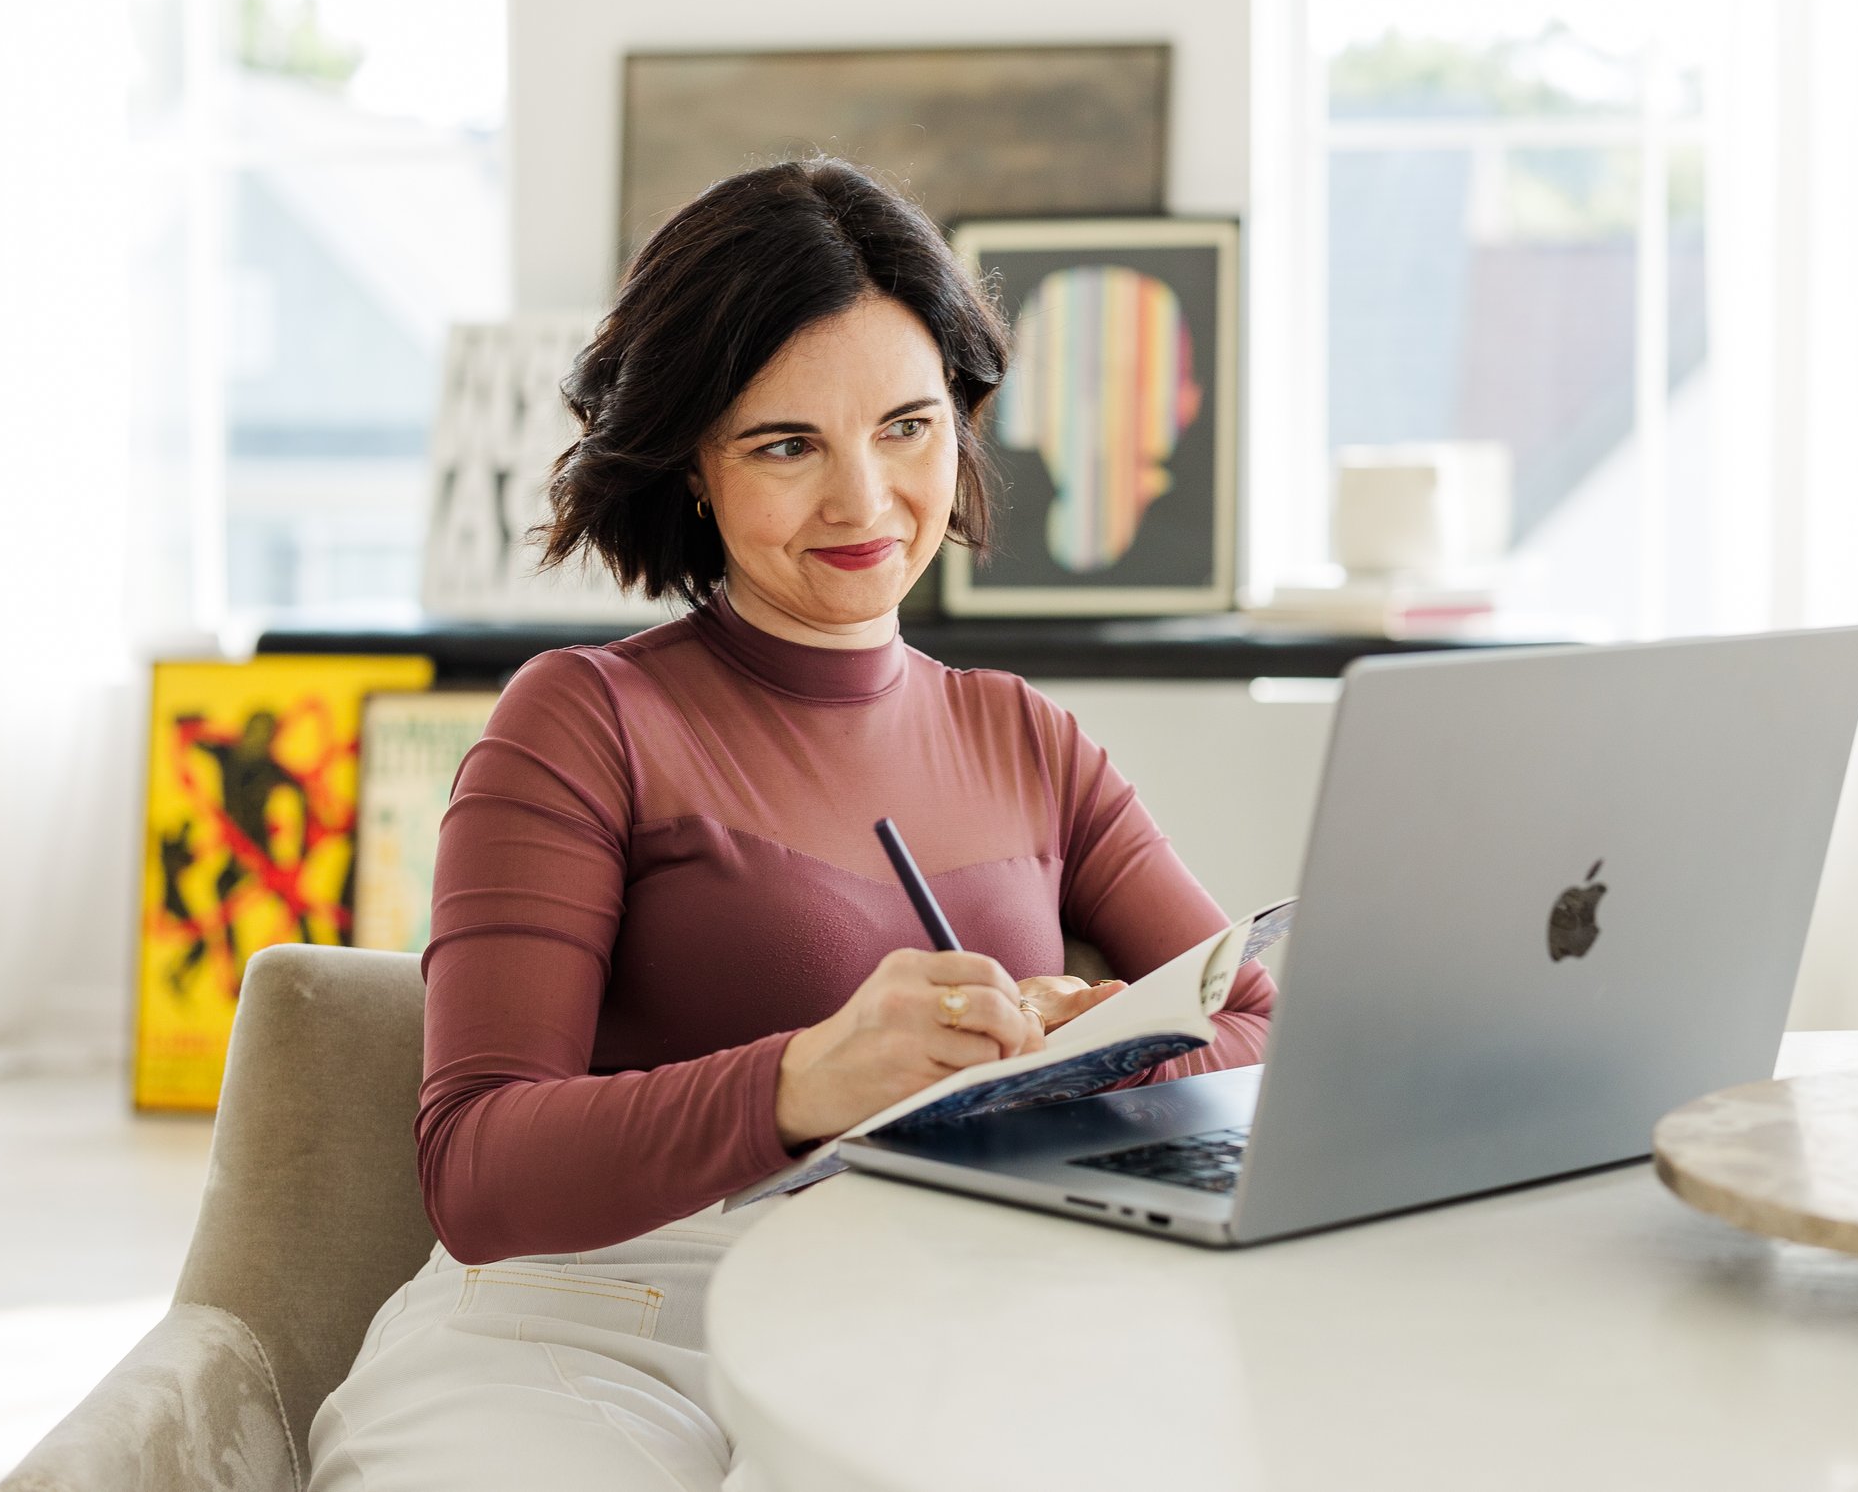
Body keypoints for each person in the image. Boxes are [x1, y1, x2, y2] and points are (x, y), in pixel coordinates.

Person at [306, 158, 1276, 1491]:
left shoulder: (1027, 738)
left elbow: (1266, 1025)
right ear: (693, 464)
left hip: (920, 1332)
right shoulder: (580, 719)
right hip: (587, 1331)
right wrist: (806, 1080)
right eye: (785, 445)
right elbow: (477, 1170)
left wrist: (1077, 1058)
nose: (865, 502)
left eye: (906, 427)